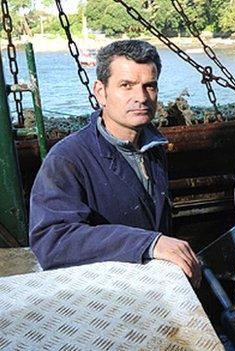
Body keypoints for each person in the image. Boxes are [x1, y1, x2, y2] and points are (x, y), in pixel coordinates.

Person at [29, 40, 201, 286]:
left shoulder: (153, 147)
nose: (140, 97)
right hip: (101, 291)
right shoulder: (67, 159)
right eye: (126, 85)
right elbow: (53, 240)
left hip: (151, 285)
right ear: (101, 91)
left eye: (149, 86)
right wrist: (149, 243)